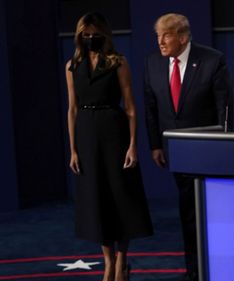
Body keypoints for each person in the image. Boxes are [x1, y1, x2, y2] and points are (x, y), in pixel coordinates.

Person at [143, 13, 234, 281]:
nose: (160, 41)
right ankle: (193, 271)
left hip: (209, 151)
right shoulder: (152, 64)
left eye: (166, 35)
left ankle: (217, 267)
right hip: (176, 152)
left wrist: (227, 145)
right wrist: (155, 145)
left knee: (211, 214)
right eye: (157, 35)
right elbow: (150, 109)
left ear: (182, 37)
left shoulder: (212, 60)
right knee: (188, 213)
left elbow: (224, 109)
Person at [65, 12, 153, 281]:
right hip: (87, 135)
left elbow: (130, 107)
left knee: (120, 196)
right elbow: (72, 109)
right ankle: (107, 260)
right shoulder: (72, 66)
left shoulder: (118, 62)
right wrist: (74, 150)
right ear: (79, 36)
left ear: (104, 34)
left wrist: (132, 146)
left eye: (94, 33)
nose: (90, 38)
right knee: (97, 198)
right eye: (85, 34)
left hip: (114, 132)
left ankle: (122, 260)